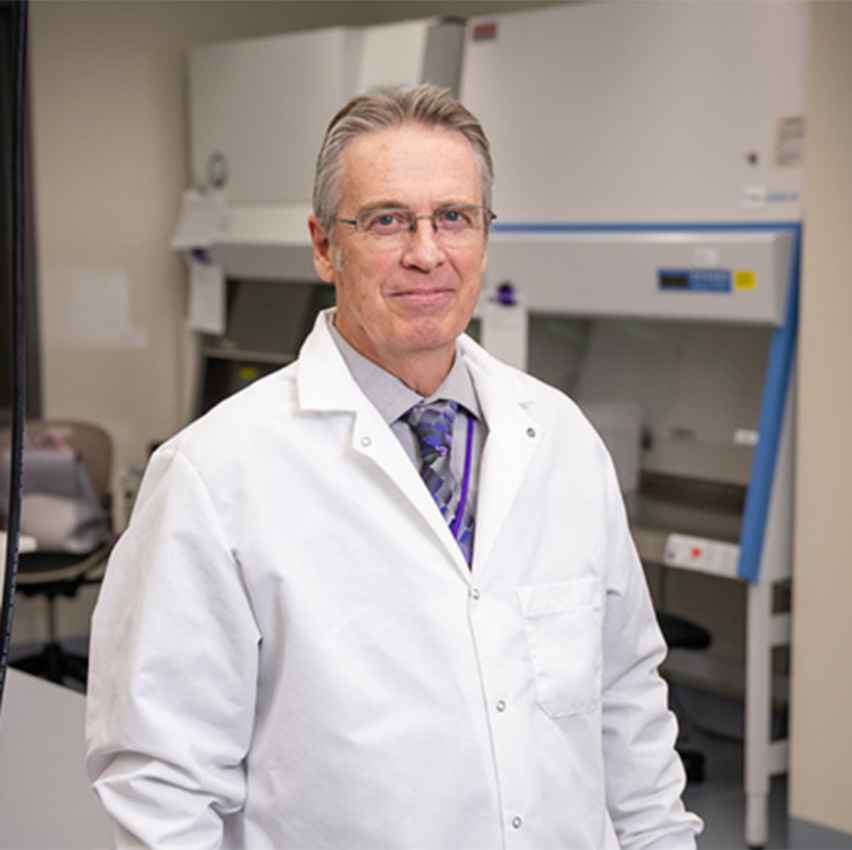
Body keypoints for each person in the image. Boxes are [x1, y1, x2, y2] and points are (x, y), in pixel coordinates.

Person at [86, 84, 702, 849]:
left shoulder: (563, 440)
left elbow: (628, 709)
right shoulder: (214, 477)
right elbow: (163, 791)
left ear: (484, 236)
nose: (426, 251)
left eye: (454, 217)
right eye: (386, 220)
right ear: (323, 245)